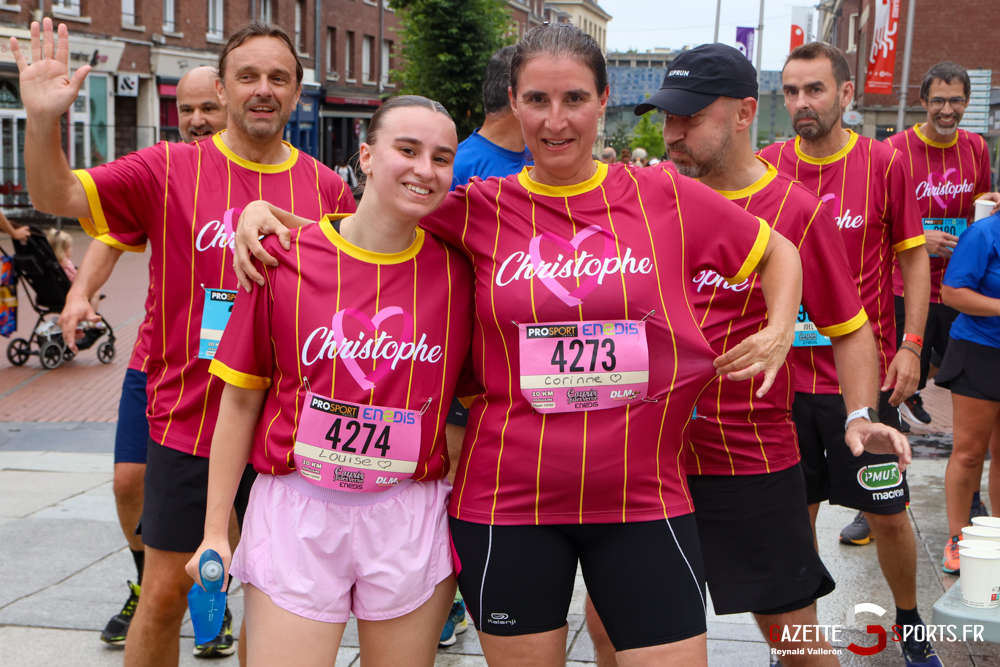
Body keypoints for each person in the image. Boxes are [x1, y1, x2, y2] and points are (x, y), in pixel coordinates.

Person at [234, 23, 804, 667]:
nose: (555, 120)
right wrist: (271, 216)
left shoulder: (662, 195)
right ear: (514, 103)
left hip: (642, 494)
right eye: (537, 100)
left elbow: (777, 250)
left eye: (574, 100)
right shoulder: (477, 206)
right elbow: (375, 228)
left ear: (603, 100)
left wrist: (779, 327)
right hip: (510, 500)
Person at [18, 19, 355, 667]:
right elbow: (55, 194)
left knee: (274, 595)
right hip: (189, 417)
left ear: (295, 91)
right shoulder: (167, 168)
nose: (263, 89)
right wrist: (41, 121)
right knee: (169, 589)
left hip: (289, 426)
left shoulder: (328, 189)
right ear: (223, 90)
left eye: (278, 78)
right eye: (248, 76)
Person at [584, 42, 909, 667]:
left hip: (750, 453)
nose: (673, 134)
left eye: (690, 117)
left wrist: (859, 415)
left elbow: (850, 328)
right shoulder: (645, 200)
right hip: (648, 455)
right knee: (609, 628)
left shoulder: (795, 210)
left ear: (742, 113)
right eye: (667, 118)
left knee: (799, 643)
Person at [185, 95, 473, 667]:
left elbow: (469, 403)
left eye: (442, 158)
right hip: (297, 508)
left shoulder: (460, 270)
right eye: (408, 150)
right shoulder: (282, 259)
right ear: (366, 155)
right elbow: (240, 402)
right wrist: (216, 530)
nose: (425, 169)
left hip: (409, 514)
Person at [759, 42, 938, 666]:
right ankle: (801, 646)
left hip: (859, 387)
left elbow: (914, 256)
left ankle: (911, 626)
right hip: (783, 387)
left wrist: (912, 344)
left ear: (846, 94)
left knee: (887, 514)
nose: (801, 103)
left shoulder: (883, 164)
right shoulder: (767, 164)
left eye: (814, 89)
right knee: (794, 520)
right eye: (791, 91)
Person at [59, 65, 233, 654]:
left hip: (242, 378)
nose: (196, 121)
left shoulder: (274, 175)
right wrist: (81, 293)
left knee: (229, 501)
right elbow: (111, 237)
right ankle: (148, 581)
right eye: (185, 110)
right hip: (159, 366)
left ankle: (213, 593)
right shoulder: (165, 172)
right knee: (129, 483)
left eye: (207, 108)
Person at [439, 42, 533, 647]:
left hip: (534, 369)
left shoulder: (541, 161)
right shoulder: (462, 166)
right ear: (512, 96)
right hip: (466, 366)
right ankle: (448, 596)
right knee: (454, 481)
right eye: (539, 95)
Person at [886, 62, 1000, 435]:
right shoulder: (893, 150)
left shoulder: (977, 148)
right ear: (923, 101)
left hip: (960, 283)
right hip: (906, 284)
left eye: (955, 101)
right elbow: (877, 223)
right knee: (896, 363)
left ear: (967, 103)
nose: (947, 110)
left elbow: (978, 207)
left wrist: (993, 202)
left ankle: (915, 389)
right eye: (938, 101)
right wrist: (920, 239)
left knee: (954, 363)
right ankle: (890, 429)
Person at [937, 211, 1000, 574]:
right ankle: (958, 538)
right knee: (970, 452)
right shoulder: (984, 234)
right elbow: (951, 292)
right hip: (980, 350)